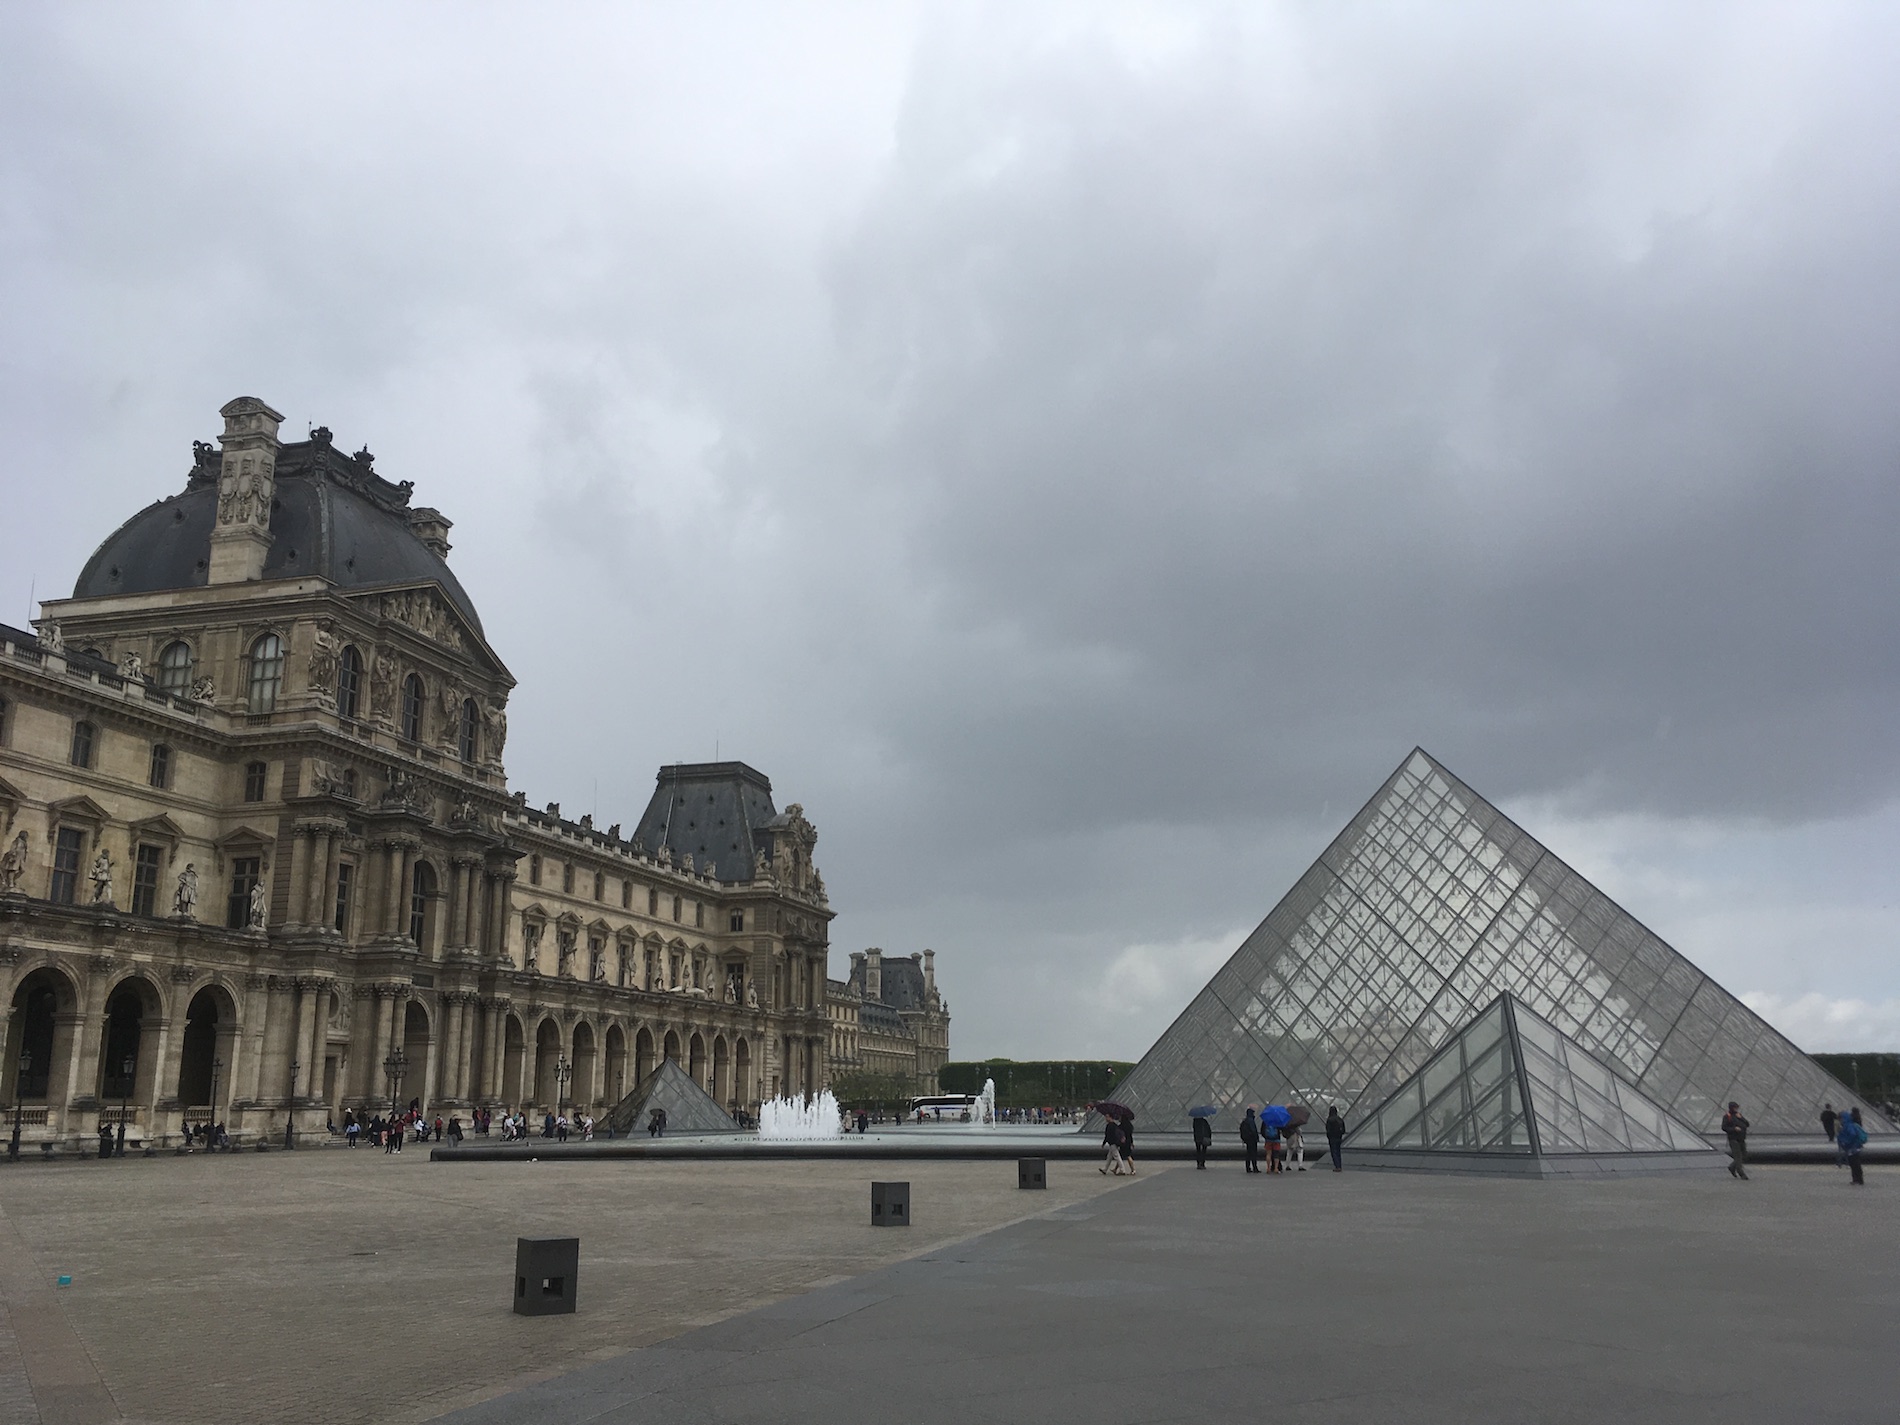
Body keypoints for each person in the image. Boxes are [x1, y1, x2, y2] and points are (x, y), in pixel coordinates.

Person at [1836, 1109, 1868, 1186]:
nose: (1840, 1121)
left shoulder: (1848, 1126)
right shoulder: (1849, 1125)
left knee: (1854, 1164)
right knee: (1854, 1164)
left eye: (1840, 1119)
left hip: (1852, 1148)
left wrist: (1846, 1141)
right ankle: (1857, 1179)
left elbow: (1852, 1135)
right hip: (1854, 1148)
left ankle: (1858, 1179)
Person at [1721, 1101, 1749, 1180]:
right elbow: (1724, 1127)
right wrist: (1734, 1129)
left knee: (1744, 1154)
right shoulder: (1727, 1116)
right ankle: (1741, 1174)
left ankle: (1732, 1167)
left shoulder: (1739, 1115)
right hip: (1733, 1139)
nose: (1737, 1109)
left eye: (1737, 1107)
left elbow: (1747, 1124)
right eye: (1735, 1107)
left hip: (1741, 1139)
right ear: (1731, 1108)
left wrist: (1741, 1118)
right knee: (1738, 1157)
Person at [1240, 1107, 1261, 1174]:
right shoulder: (1251, 1120)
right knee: (1253, 1154)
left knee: (1248, 1154)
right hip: (1252, 1139)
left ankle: (1248, 1167)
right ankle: (1255, 1168)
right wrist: (1257, 1138)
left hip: (1247, 1139)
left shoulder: (1245, 1120)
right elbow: (1253, 1130)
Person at [1325, 1106, 1346, 1172]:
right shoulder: (1340, 1119)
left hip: (1332, 1138)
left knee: (1334, 1152)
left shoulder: (1329, 1119)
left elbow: (1328, 1130)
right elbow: (1344, 1130)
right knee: (1338, 1152)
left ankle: (1337, 1166)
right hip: (1339, 1138)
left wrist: (1329, 1136)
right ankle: (1339, 1165)